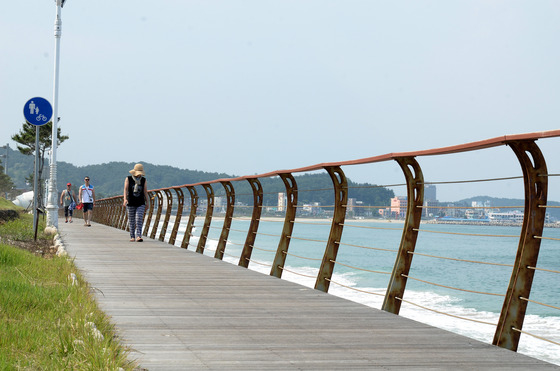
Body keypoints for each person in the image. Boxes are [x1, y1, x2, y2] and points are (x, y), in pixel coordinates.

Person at [123, 163, 150, 242]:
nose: (139, 175)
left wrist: (147, 202)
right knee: (131, 220)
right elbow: (125, 189)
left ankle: (139, 236)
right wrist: (125, 199)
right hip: (131, 202)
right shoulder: (128, 179)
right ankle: (132, 236)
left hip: (141, 202)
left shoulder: (143, 180)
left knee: (139, 218)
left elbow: (145, 191)